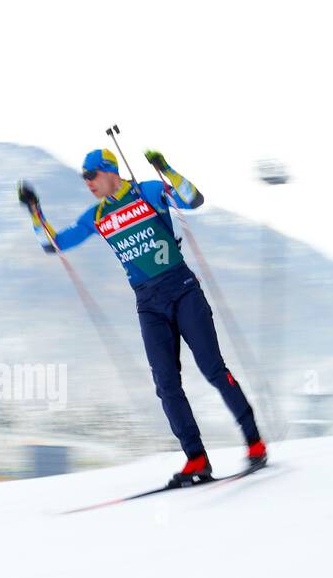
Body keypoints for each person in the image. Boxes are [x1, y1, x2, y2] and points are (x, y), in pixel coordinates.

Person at [18, 148, 266, 483]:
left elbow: (193, 199)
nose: (87, 182)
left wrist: (165, 168)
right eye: (83, 178)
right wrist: (34, 210)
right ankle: (197, 459)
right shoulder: (98, 215)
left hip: (182, 290)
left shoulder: (147, 191)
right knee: (166, 385)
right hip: (148, 303)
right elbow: (52, 244)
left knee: (213, 370)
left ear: (109, 171)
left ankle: (254, 442)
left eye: (90, 175)